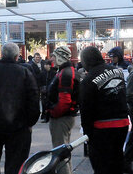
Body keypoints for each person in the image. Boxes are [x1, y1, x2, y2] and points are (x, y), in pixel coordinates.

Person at [0, 42, 40, 174]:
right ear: (17, 56)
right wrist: (29, 122)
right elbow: (33, 100)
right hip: (18, 127)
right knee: (15, 165)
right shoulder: (25, 73)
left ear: (1, 54)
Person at [79, 46, 128, 174]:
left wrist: (87, 133)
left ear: (86, 61)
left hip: (102, 128)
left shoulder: (88, 81)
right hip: (122, 124)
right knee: (117, 162)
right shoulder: (118, 71)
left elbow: (86, 110)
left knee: (101, 166)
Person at [47, 46, 79, 174]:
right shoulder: (67, 71)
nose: (52, 58)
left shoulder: (65, 73)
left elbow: (64, 101)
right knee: (63, 151)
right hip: (65, 116)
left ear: (60, 57)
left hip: (61, 118)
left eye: (54, 56)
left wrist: (52, 112)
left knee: (59, 153)